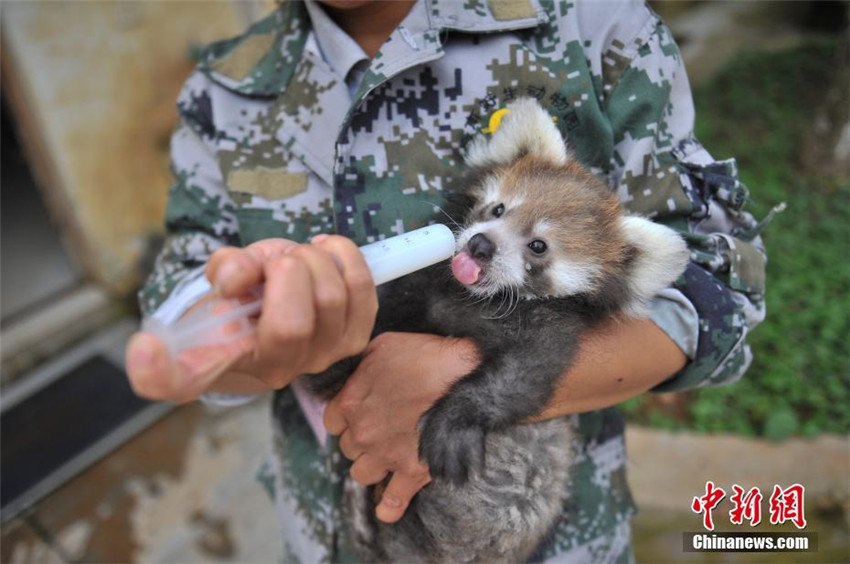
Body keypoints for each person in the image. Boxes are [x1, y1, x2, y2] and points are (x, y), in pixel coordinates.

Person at [126, 0, 769, 560]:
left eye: (538, 247)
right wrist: (252, 346)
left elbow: (720, 287)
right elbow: (180, 307)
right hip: (328, 535)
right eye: (492, 215)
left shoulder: (590, 22)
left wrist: (458, 387)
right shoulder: (220, 92)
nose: (488, 235)